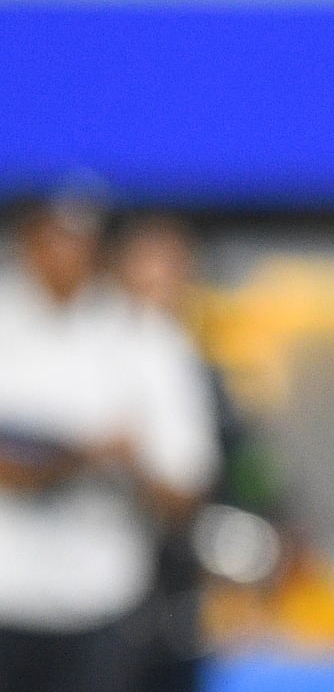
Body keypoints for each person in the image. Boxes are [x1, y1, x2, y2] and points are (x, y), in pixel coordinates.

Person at [0, 196, 219, 692]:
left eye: (81, 238)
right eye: (54, 235)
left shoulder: (144, 339)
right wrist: (77, 458)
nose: (67, 252)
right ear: (27, 240)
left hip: (100, 605)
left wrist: (127, 462)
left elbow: (187, 487)